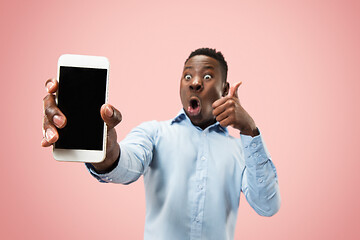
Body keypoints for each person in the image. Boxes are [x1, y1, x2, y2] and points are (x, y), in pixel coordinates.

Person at [42, 48, 280, 240]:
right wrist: (105, 149)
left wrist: (250, 131)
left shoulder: (242, 151)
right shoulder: (154, 134)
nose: (194, 83)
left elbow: (267, 205)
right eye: (187, 76)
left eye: (207, 76)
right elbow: (126, 164)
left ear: (225, 90)